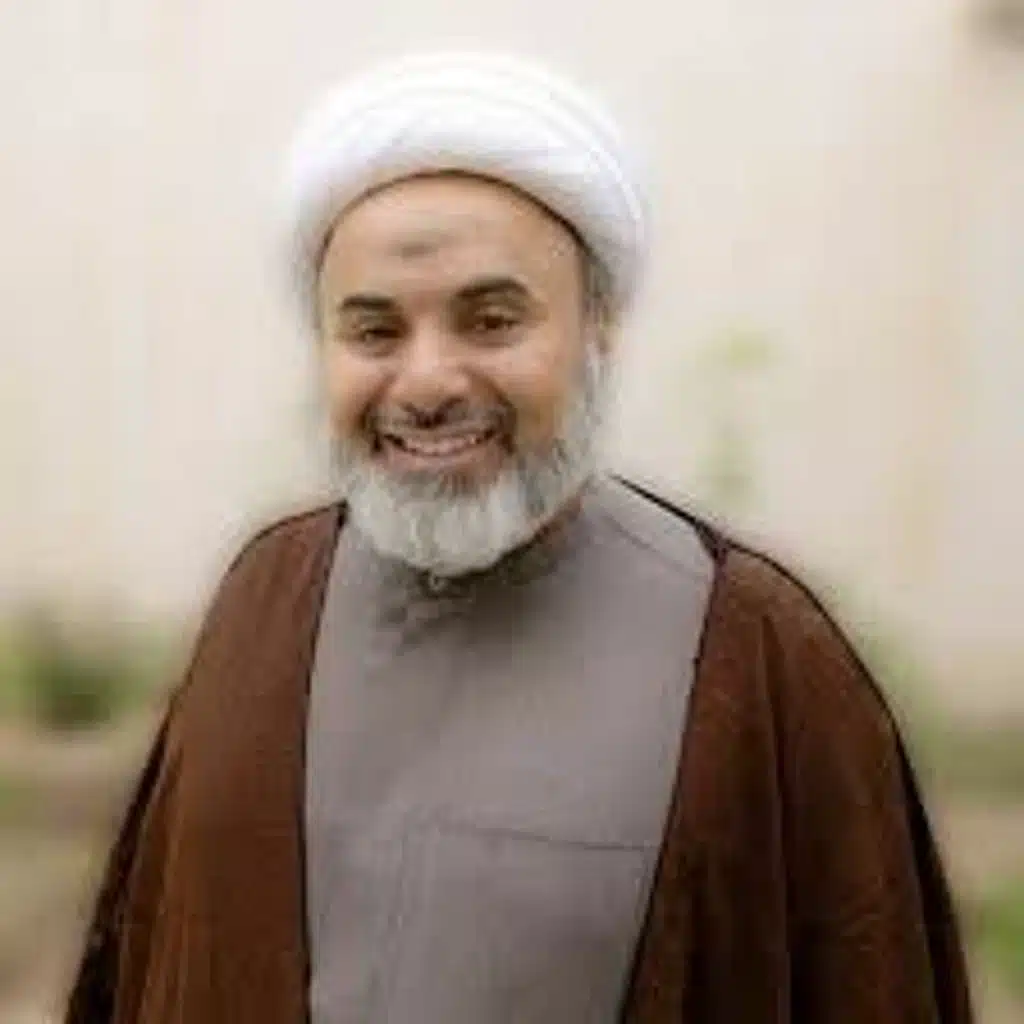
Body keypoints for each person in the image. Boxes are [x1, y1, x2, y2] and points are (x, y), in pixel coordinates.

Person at [65, 53, 973, 1023]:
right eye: (373, 332)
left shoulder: (758, 655)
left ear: (599, 327)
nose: (426, 382)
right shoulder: (262, 602)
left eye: (492, 321)